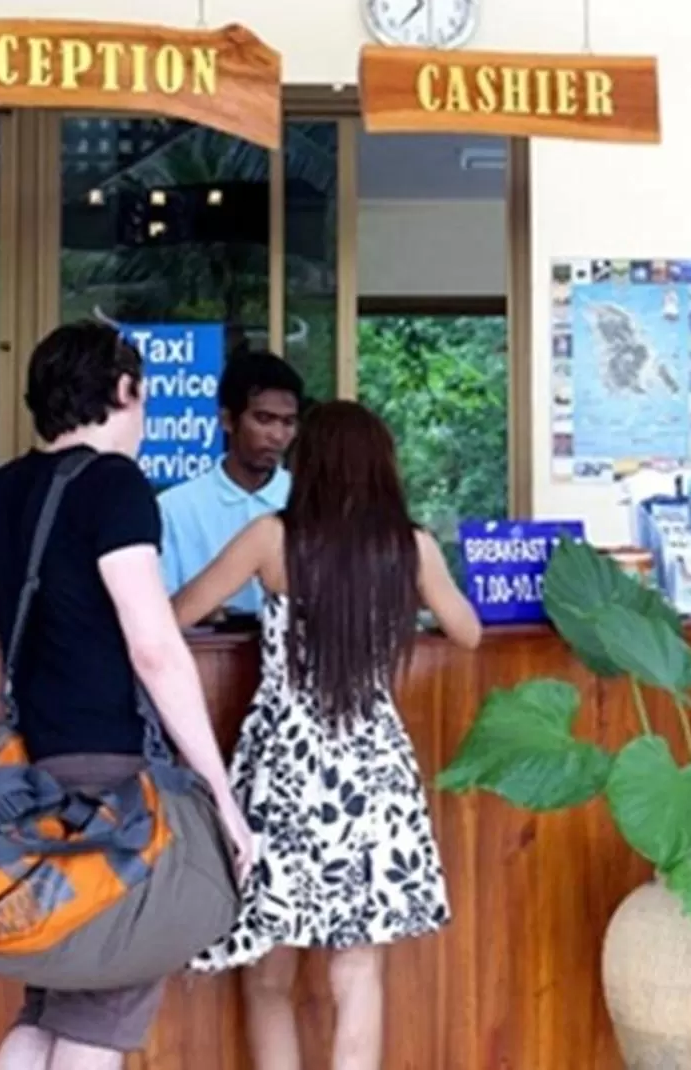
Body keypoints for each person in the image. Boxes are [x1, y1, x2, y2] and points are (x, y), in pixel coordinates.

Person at [171, 401, 484, 1070]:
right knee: (357, 972)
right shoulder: (409, 546)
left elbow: (174, 615)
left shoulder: (271, 538)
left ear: (309, 465)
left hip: (286, 766)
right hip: (371, 768)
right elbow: (468, 631)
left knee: (268, 971)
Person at [0, 321, 256, 1070]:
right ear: (124, 391)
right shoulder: (114, 485)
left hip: (31, 771)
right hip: (111, 782)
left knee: (46, 1005)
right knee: (98, 1024)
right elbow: (155, 646)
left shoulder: (3, 489)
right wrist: (221, 795)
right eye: (143, 398)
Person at [158, 348, 305, 619]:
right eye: (263, 419)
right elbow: (160, 612)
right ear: (227, 420)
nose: (277, 435)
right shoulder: (174, 509)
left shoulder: (307, 500)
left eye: (288, 422)